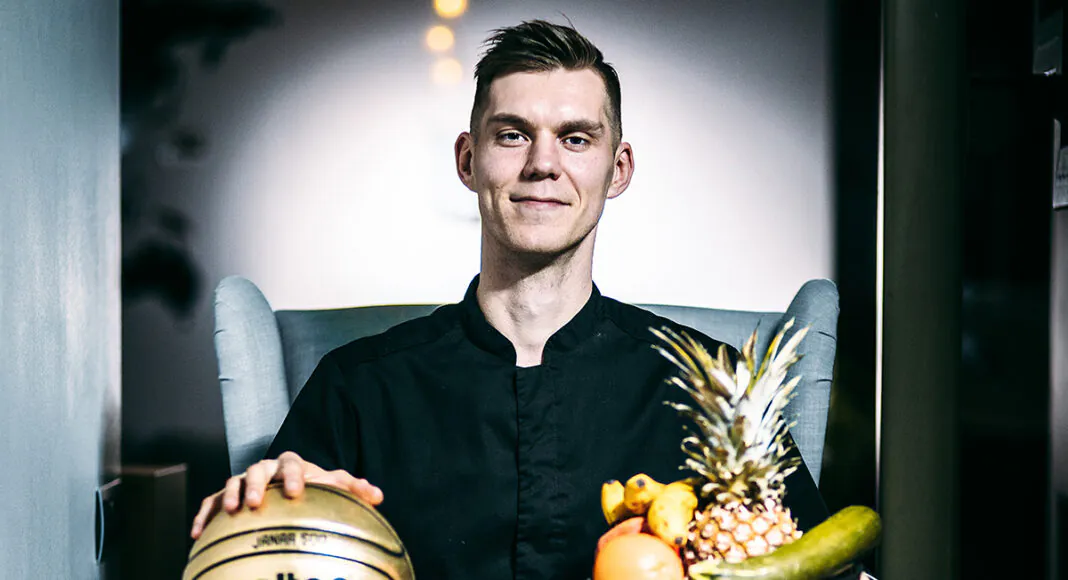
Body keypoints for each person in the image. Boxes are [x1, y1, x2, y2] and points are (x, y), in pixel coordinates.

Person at [192, 19, 867, 580]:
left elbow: (817, 563)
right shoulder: (357, 388)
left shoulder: (717, 393)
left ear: (618, 169)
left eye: (576, 138)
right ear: (468, 160)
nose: (543, 164)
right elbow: (264, 557)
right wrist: (265, 506)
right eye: (512, 134)